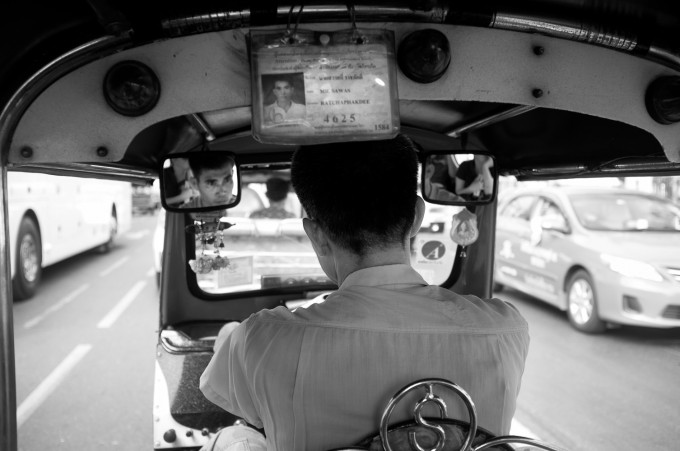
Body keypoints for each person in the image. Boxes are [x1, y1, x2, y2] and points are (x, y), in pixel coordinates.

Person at [199, 135, 529, 451]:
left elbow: (225, 394)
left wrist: (231, 336)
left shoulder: (262, 339)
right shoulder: (506, 329)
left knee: (233, 434)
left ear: (316, 234)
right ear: (416, 218)